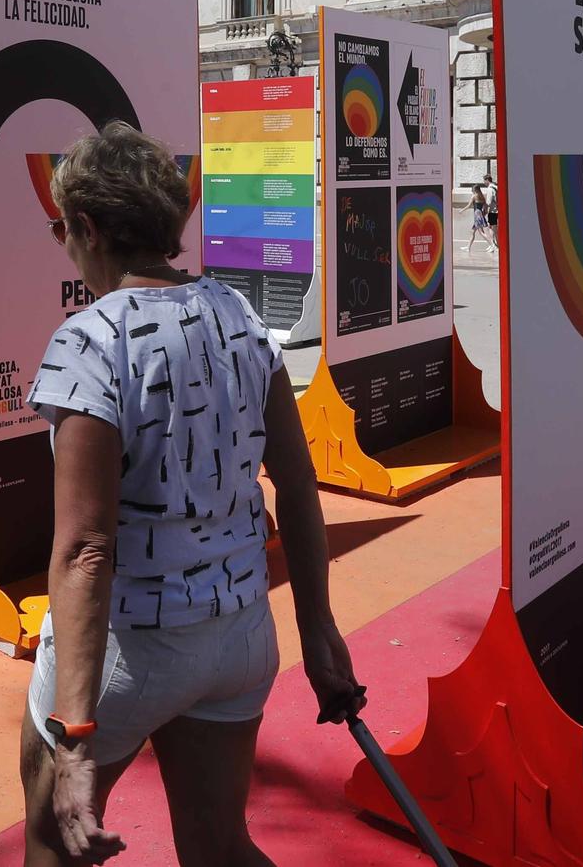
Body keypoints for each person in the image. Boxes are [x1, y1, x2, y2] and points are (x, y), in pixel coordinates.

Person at [20, 122, 364, 867]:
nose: (65, 244)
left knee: (54, 840)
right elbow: (299, 489)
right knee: (219, 846)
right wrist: (319, 633)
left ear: (87, 228)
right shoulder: (241, 315)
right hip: (239, 639)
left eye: (61, 229)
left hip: (129, 651)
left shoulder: (90, 341)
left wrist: (74, 736)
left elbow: (84, 549)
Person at [467, 182, 490, 255]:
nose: (472, 190)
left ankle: (492, 245)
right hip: (479, 214)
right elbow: (486, 208)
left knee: (481, 232)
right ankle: (468, 247)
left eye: (473, 189)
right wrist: (483, 215)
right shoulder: (482, 196)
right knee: (472, 232)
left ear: (475, 189)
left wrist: (461, 210)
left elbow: (468, 205)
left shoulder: (474, 196)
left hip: (477, 215)